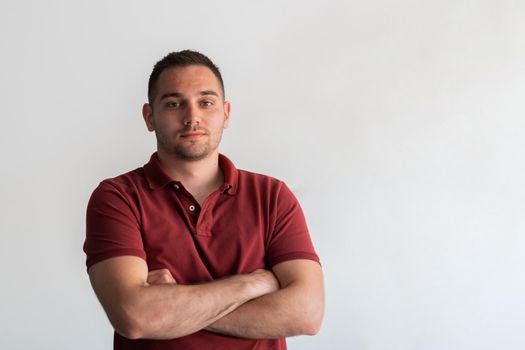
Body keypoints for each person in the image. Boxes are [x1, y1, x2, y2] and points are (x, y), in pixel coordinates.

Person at [83, 50, 324, 350]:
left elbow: (308, 313)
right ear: (149, 116)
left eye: (206, 102)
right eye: (173, 104)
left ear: (226, 114)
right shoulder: (117, 198)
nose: (192, 117)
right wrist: (251, 284)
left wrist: (172, 308)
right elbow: (135, 317)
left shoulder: (272, 196)